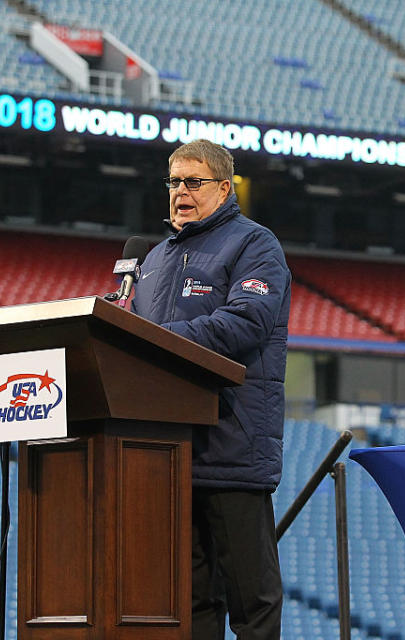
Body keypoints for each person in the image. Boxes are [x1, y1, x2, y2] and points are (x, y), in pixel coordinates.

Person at [131, 139, 291, 639]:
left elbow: (246, 323)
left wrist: (156, 340)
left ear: (224, 188)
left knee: (252, 601)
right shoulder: (154, 258)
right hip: (169, 453)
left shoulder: (254, 244)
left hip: (231, 447)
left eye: (193, 182)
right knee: (193, 602)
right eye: (174, 182)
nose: (181, 192)